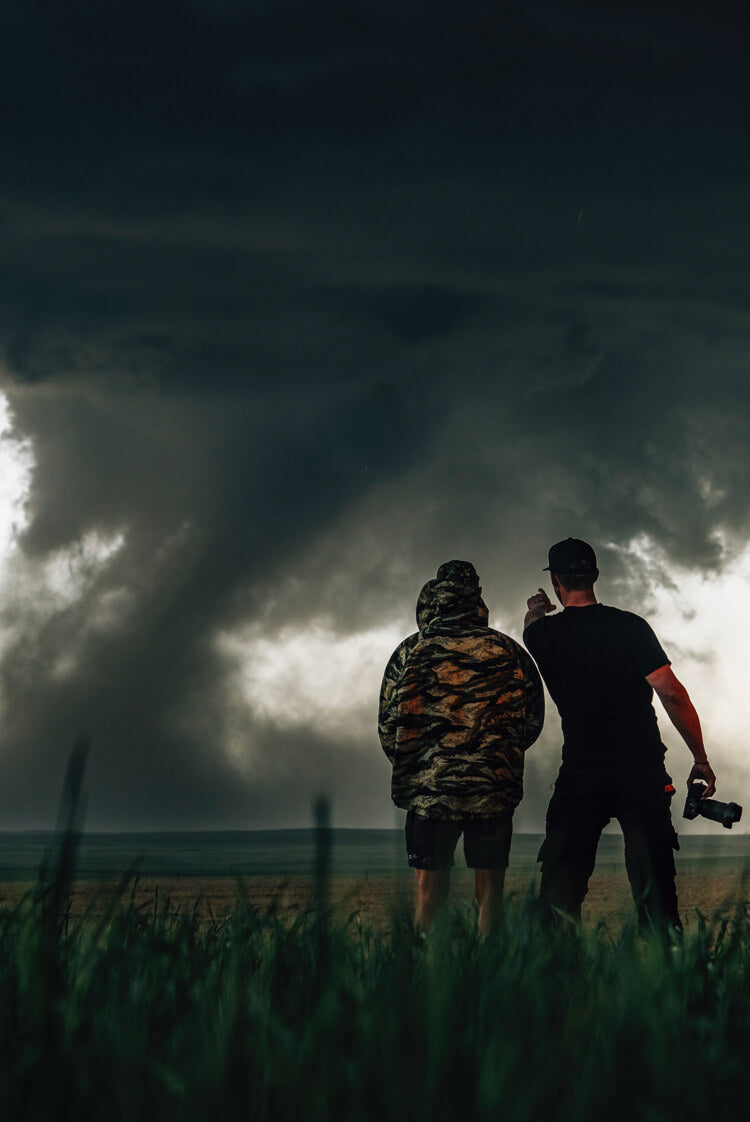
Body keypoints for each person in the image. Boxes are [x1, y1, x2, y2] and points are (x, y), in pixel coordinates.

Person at [523, 537, 716, 935]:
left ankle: (556, 981)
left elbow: (533, 625)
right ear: (595, 574)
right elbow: (671, 693)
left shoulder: (541, 637)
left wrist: (538, 610)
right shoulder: (631, 627)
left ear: (557, 580)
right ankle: (665, 974)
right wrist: (700, 758)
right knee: (656, 888)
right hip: (641, 769)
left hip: (581, 773)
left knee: (561, 890)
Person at [379, 560, 544, 934]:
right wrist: (499, 756)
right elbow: (532, 720)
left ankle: (425, 976)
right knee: (491, 893)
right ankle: (489, 972)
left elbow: (388, 724)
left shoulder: (410, 651)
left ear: (434, 598)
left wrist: (418, 765)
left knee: (428, 891)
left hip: (430, 791)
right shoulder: (508, 650)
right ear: (478, 598)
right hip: (492, 786)